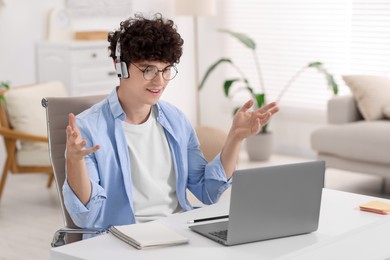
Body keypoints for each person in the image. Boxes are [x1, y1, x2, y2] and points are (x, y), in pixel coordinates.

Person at [64, 13, 279, 233]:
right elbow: (86, 218)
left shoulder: (175, 120)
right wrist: (74, 162)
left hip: (179, 232)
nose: (159, 81)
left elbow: (208, 191)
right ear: (120, 66)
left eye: (166, 70)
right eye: (148, 69)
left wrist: (235, 137)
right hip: (123, 239)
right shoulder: (88, 128)